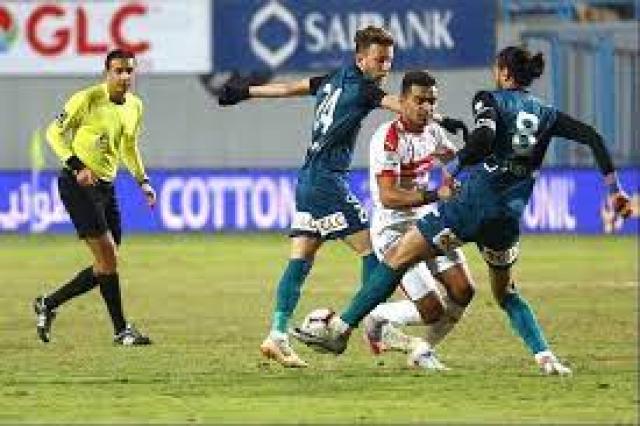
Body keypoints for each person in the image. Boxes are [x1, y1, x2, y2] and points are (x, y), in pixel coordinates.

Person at [293, 45, 633, 375]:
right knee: (505, 293)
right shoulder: (546, 114)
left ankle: (342, 329)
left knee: (401, 260)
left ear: (503, 73)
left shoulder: (489, 99)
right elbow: (593, 137)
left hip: (470, 206)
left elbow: (482, 140)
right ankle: (544, 357)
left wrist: (453, 171)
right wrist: (615, 191)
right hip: (507, 217)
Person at [218, 25, 456, 368]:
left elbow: (288, 88)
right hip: (328, 183)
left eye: (389, 60)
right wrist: (443, 118)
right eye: (379, 60)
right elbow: (402, 106)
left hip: (308, 179)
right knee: (374, 252)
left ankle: (277, 335)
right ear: (361, 59)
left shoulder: (331, 79)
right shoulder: (364, 89)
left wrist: (245, 91)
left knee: (301, 258)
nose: (385, 67)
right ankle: (374, 324)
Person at [34, 49, 156, 346]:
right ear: (107, 73)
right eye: (118, 71)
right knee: (108, 258)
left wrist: (143, 181)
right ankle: (121, 331)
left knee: (106, 263)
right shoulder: (86, 99)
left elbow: (129, 147)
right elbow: (53, 133)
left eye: (129, 71)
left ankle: (48, 303)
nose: (124, 76)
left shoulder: (135, 106)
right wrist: (78, 166)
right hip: (77, 186)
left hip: (106, 187)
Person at [363, 70, 474, 371]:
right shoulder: (387, 138)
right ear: (402, 101)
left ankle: (423, 351)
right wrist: (438, 193)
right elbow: (388, 196)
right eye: (419, 100)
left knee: (464, 290)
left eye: (431, 101)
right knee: (431, 310)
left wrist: (464, 168)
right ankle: (377, 316)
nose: (426, 107)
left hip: (428, 222)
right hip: (393, 230)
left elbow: (454, 161)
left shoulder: (433, 132)